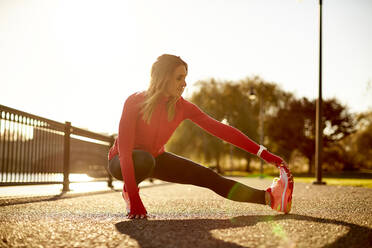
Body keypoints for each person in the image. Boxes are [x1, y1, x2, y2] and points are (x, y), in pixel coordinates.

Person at [108, 54, 294, 219]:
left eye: (185, 78)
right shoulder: (134, 101)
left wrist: (264, 153)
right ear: (163, 78)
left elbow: (222, 130)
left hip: (155, 158)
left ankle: (271, 198)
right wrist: (133, 197)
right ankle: (128, 192)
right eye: (179, 78)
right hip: (121, 162)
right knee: (144, 159)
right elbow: (124, 152)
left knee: (208, 176)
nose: (185, 83)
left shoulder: (182, 107)